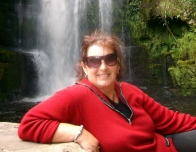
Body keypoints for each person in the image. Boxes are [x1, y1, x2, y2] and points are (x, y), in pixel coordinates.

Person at [18, 30, 196, 152]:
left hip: (168, 146)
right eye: (94, 61)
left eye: (110, 59)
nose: (103, 67)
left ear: (118, 64)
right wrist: (78, 133)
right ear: (85, 67)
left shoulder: (128, 90)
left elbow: (172, 120)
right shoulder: (76, 95)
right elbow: (29, 124)